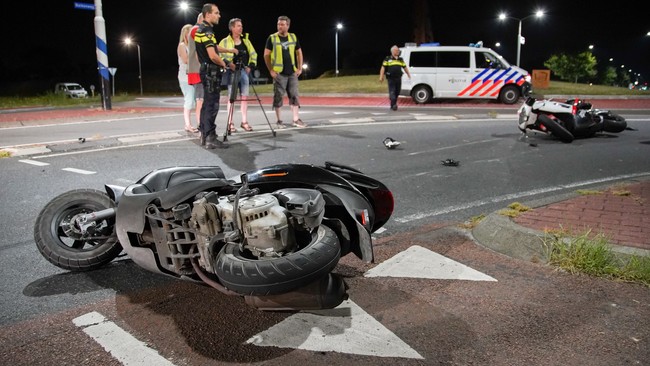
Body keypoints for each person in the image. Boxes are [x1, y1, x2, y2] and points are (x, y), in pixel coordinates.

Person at [194, 3, 237, 149]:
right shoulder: (207, 31)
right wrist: (223, 64)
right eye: (216, 13)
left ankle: (204, 135)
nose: (219, 15)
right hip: (211, 72)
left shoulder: (201, 30)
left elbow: (212, 48)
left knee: (206, 104)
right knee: (212, 105)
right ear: (207, 14)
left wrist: (229, 51)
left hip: (205, 70)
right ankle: (210, 137)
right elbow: (212, 55)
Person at [263, 15, 306, 128]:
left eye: (282, 24)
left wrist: (300, 67)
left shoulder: (293, 37)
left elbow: (299, 53)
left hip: (292, 72)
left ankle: (296, 119)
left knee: (294, 95)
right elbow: (266, 55)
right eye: (278, 24)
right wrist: (271, 70)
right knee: (278, 96)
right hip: (279, 73)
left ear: (288, 25)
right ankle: (279, 121)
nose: (279, 26)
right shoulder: (272, 38)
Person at [219, 18, 257, 133]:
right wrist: (228, 64)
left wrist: (250, 66)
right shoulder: (225, 41)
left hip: (244, 72)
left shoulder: (246, 41)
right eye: (238, 26)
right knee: (232, 99)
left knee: (244, 97)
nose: (241, 28)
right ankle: (230, 123)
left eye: (241, 26)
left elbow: (253, 54)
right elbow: (218, 54)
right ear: (232, 28)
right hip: (232, 72)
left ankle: (244, 122)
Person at [177, 24, 198, 133]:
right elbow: (185, 60)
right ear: (185, 34)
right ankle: (188, 124)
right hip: (185, 77)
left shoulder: (192, 46)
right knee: (189, 100)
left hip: (193, 75)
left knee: (195, 100)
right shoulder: (182, 46)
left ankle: (191, 124)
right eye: (189, 33)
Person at [379, 45, 411, 111]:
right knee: (392, 91)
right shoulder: (387, 59)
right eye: (397, 50)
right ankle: (394, 105)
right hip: (391, 78)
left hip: (398, 78)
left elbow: (404, 67)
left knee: (397, 92)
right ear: (393, 51)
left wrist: (408, 74)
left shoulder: (400, 59)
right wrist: (381, 76)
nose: (398, 51)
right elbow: (383, 68)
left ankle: (392, 104)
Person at [187, 14, 204, 131]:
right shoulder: (196, 30)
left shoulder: (195, 30)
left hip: (196, 69)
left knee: (201, 99)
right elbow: (201, 49)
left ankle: (201, 124)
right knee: (200, 100)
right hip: (197, 70)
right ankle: (200, 124)